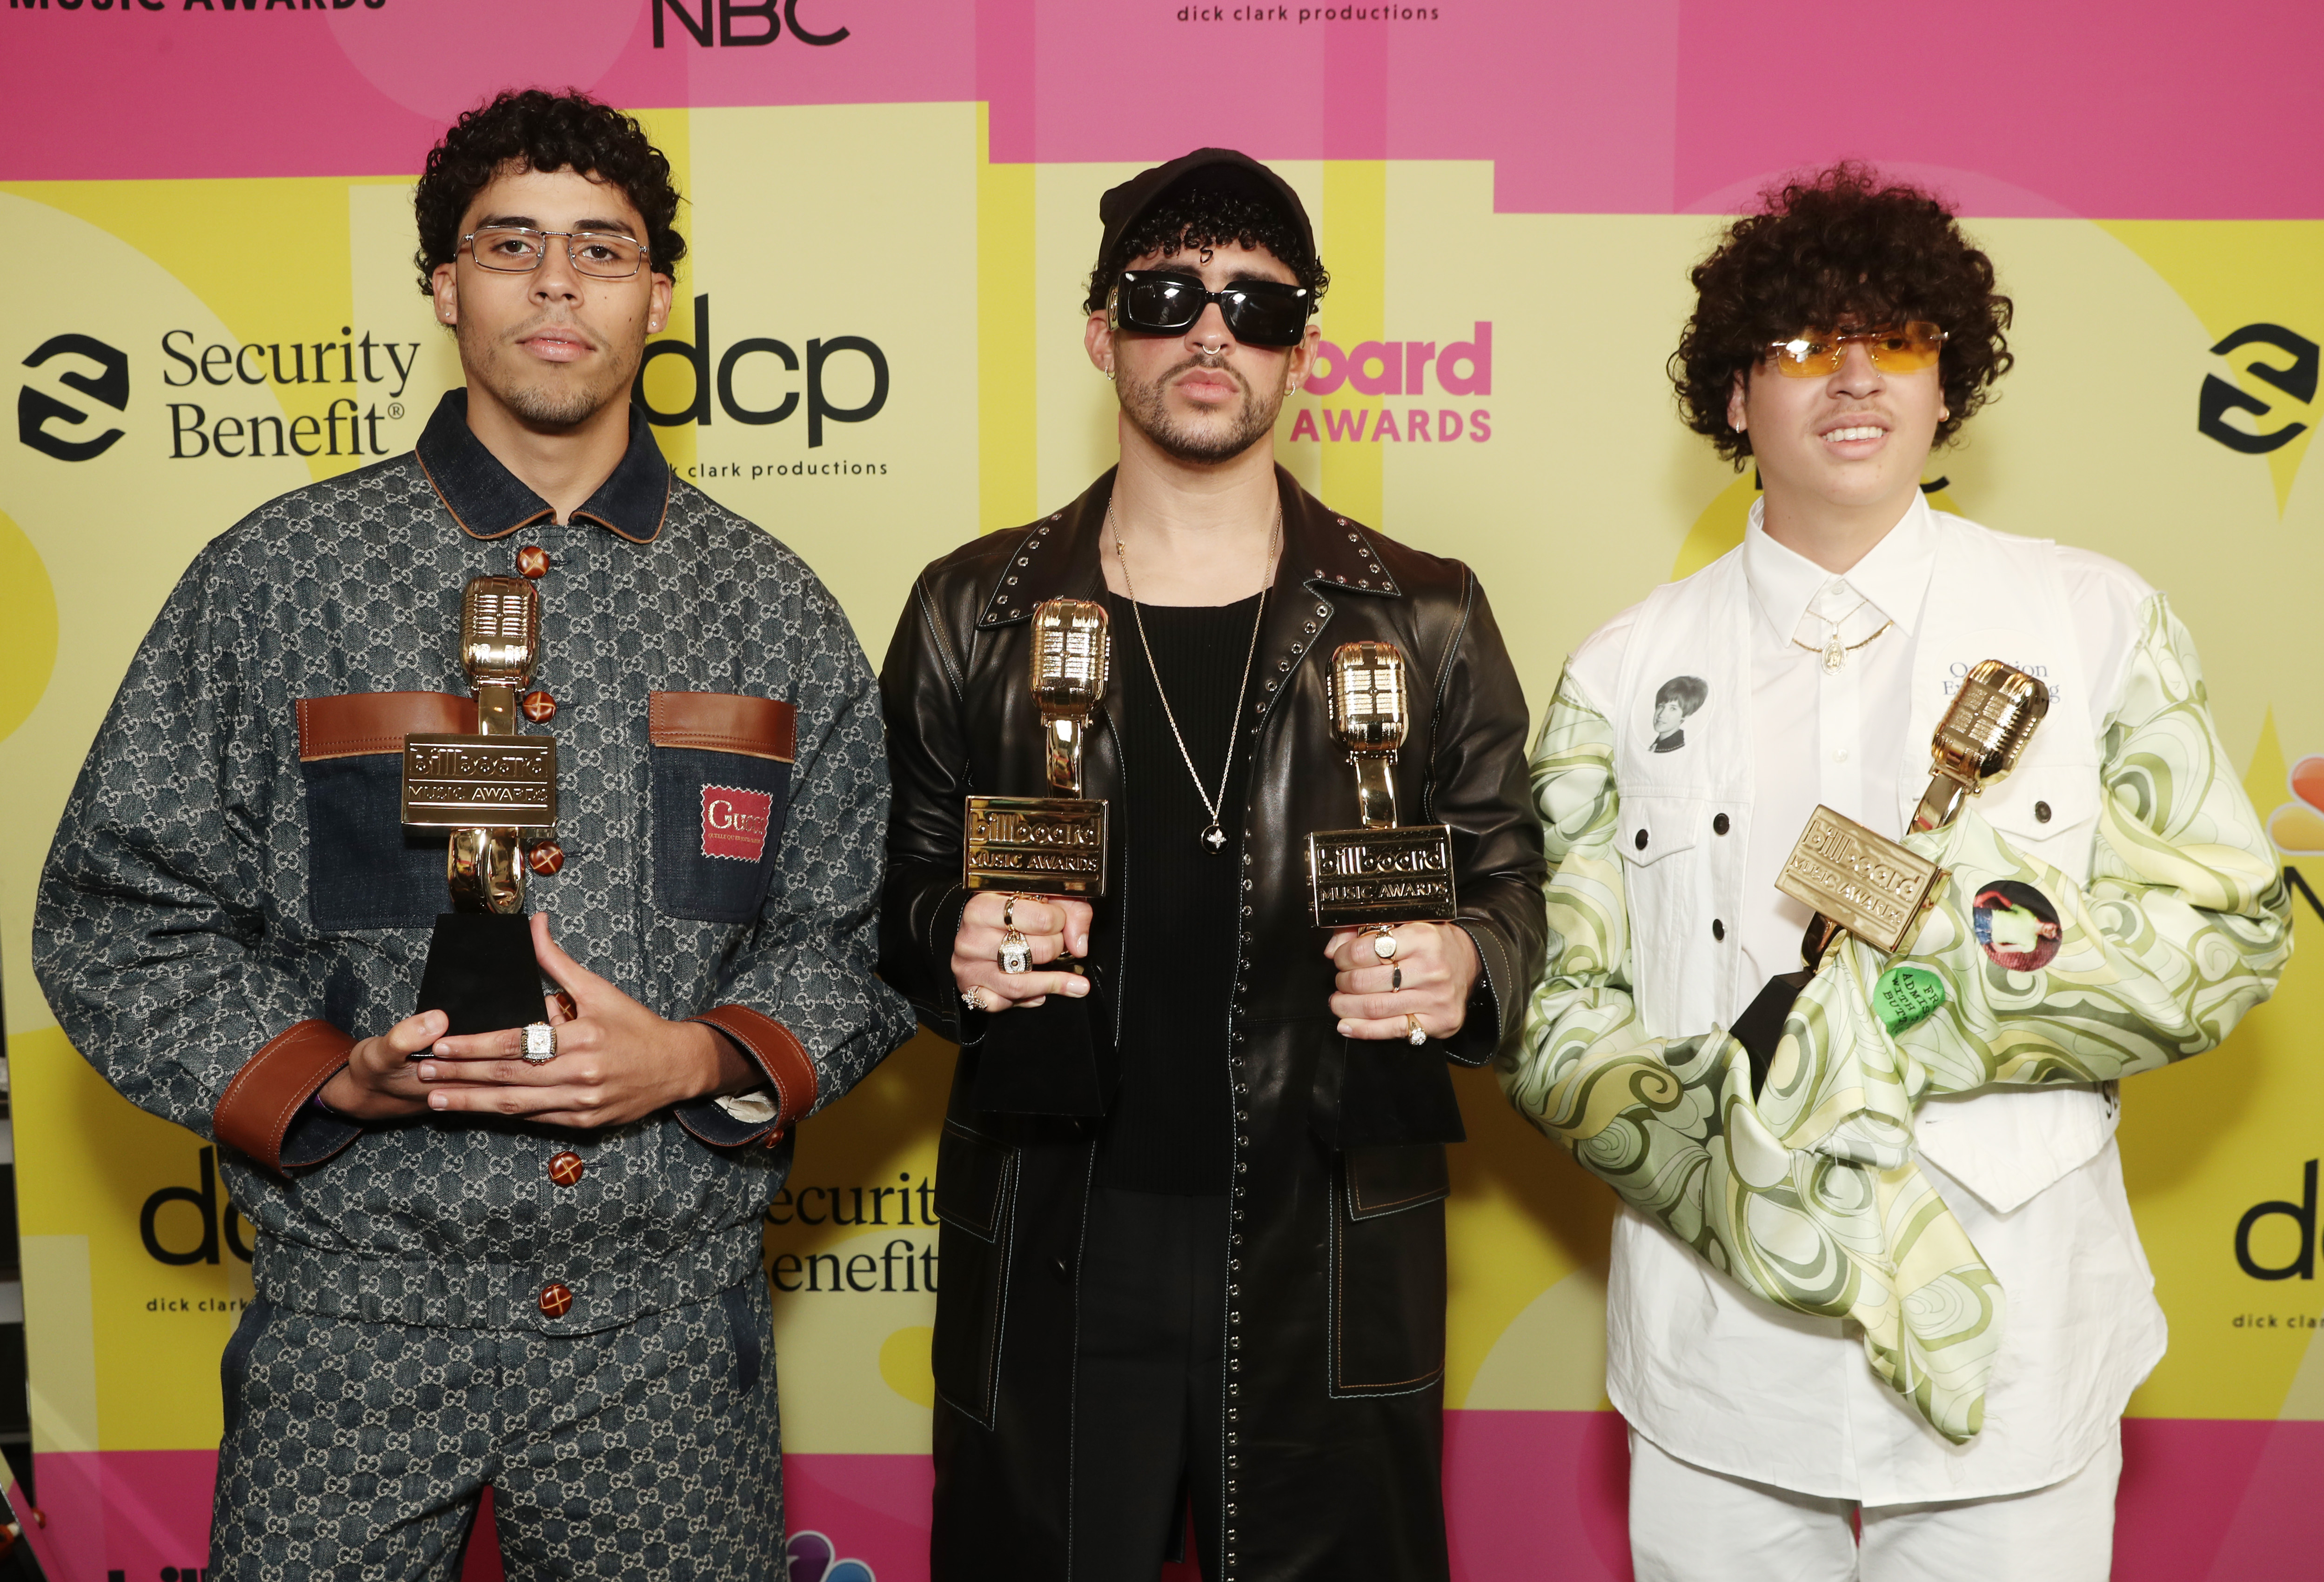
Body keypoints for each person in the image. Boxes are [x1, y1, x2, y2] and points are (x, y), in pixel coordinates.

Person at [33, 88, 913, 1580]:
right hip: (355, 1318)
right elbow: (118, 910)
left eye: (602, 249)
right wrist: (333, 1076)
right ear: (444, 285)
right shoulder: (281, 578)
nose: (558, 283)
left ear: (656, 293)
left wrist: (696, 1057)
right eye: (512, 244)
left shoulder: (770, 608)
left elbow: (860, 930)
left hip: (665, 1332)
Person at [1501, 163, 2291, 1582]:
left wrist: (1924, 981)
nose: (1852, 376)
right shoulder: (1621, 673)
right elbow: (1560, 1000)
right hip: (1717, 1348)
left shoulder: (2091, 618)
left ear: (1947, 389)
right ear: (1734, 399)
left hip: (2015, 1339)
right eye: (1802, 343)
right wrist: (1712, 1166)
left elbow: (2222, 931)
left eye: (1899, 341)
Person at [877, 148, 1545, 1582]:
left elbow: (1510, 885)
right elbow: (892, 895)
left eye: (1256, 304)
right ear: (1098, 330)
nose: (1209, 333)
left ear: (1301, 344)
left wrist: (1469, 961)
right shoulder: (971, 608)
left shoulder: (1423, 615)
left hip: (1329, 1234)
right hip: (1058, 1225)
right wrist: (955, 930)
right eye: (1168, 294)